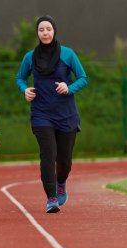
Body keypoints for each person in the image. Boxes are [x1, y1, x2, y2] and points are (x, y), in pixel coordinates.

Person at [16, 15, 88, 213]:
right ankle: (51, 198)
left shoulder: (68, 54)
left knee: (64, 161)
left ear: (54, 31)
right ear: (37, 33)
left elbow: (83, 78)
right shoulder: (30, 57)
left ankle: (61, 181)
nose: (45, 32)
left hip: (66, 114)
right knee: (48, 154)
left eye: (48, 29)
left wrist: (69, 87)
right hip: (41, 113)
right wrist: (25, 90)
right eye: (41, 29)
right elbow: (20, 78)